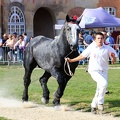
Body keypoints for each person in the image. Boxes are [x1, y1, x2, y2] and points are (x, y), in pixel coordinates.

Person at [65, 32, 118, 114]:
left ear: (103, 39)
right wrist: (71, 60)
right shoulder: (92, 47)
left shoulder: (108, 48)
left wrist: (113, 57)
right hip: (94, 70)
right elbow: (82, 56)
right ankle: (100, 103)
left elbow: (113, 61)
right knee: (104, 84)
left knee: (100, 88)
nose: (100, 40)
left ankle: (93, 105)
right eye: (98, 38)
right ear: (95, 39)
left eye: (101, 38)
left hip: (104, 71)